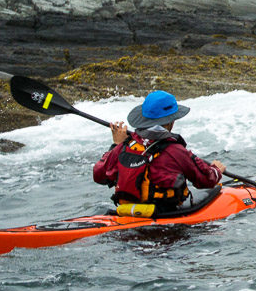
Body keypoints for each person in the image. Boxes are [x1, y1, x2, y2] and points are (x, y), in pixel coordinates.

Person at [94, 90, 226, 209]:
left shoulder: (125, 146)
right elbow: (205, 180)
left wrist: (116, 145)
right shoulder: (176, 151)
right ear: (170, 122)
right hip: (167, 216)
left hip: (129, 212)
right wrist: (216, 170)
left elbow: (99, 175)